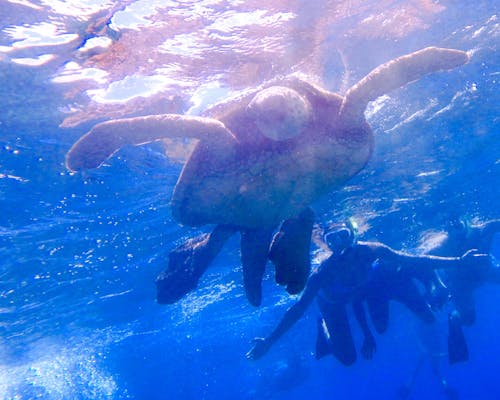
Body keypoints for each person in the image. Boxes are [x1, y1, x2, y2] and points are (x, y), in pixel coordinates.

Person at [246, 224, 489, 365]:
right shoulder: (324, 272)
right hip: (332, 306)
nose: (341, 245)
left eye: (344, 235)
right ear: (328, 245)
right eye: (333, 240)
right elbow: (297, 310)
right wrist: (269, 341)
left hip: (354, 297)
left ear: (354, 235)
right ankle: (324, 327)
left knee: (357, 348)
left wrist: (458, 261)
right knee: (348, 359)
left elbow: (415, 260)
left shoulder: (371, 251)